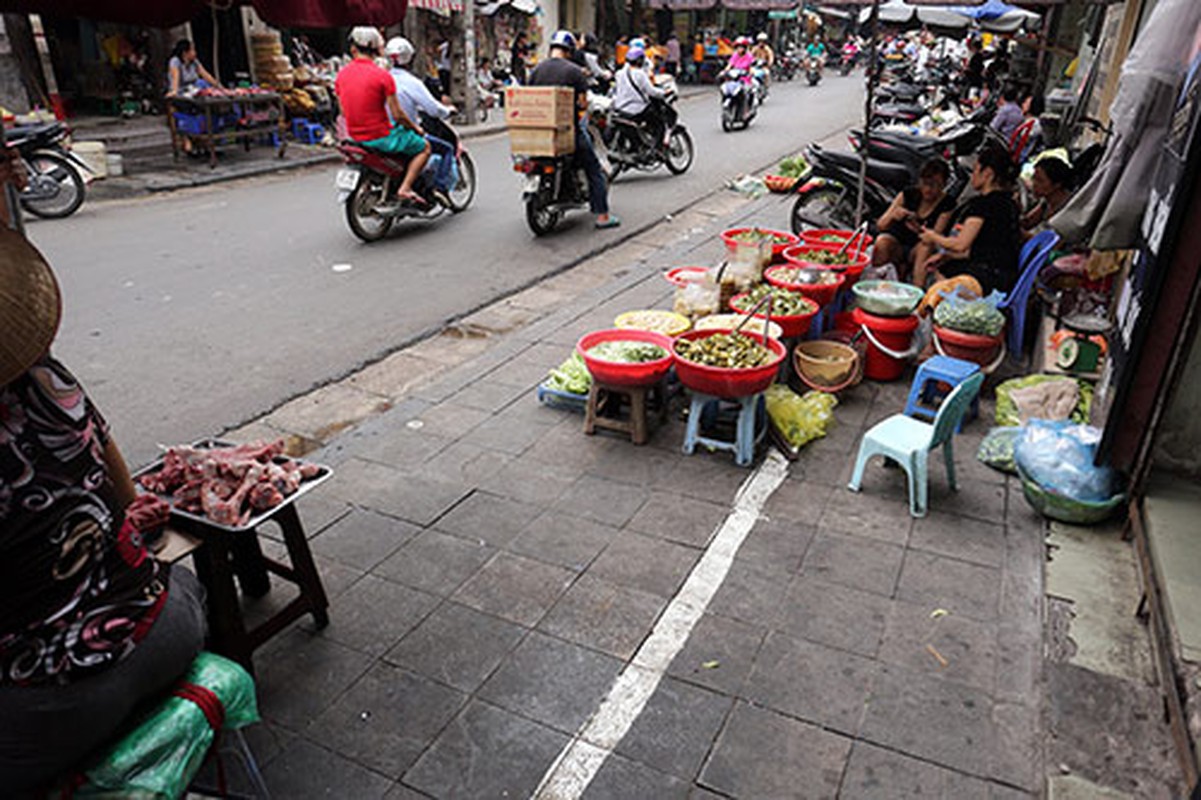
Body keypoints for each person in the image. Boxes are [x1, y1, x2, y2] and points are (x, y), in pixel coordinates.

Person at [0, 226, 207, 792]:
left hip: (57, 696)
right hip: (164, 621)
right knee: (183, 585)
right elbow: (127, 499)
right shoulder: (49, 375)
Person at [528, 30, 619, 228]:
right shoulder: (574, 71)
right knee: (594, 168)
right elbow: (583, 103)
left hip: (537, 134)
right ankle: (603, 216)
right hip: (567, 133)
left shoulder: (535, 71)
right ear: (569, 51)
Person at [335, 27, 431, 207]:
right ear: (378, 50)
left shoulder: (341, 75)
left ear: (354, 49)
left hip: (354, 137)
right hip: (380, 137)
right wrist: (416, 128)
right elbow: (398, 114)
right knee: (424, 147)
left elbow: (343, 112)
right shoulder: (383, 76)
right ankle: (406, 187)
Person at [915, 141, 1021, 294]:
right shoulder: (1008, 202)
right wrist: (947, 257)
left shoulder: (982, 204)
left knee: (940, 280)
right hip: (1005, 274)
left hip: (990, 278)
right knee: (945, 266)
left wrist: (932, 236)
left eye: (976, 170)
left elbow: (960, 244)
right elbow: (988, 248)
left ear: (987, 174)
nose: (972, 176)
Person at [385, 36, 456, 205]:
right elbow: (432, 108)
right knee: (446, 148)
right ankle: (439, 189)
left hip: (381, 131)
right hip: (402, 133)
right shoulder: (412, 82)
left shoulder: (382, 78)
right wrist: (447, 111)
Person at [872, 158, 957, 278]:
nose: (928, 189)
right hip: (897, 245)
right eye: (925, 183)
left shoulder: (947, 204)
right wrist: (893, 215)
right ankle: (876, 281)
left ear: (944, 185)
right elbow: (881, 225)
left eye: (934, 185)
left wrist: (918, 229)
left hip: (918, 249)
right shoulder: (907, 194)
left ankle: (917, 289)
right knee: (882, 241)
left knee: (925, 246)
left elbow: (935, 236)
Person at [613, 44, 669, 149]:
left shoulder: (619, 73)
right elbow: (652, 92)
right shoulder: (640, 74)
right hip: (635, 109)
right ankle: (657, 148)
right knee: (659, 122)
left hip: (620, 108)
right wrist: (664, 93)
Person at [1022, 156, 1074, 232]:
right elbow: (1027, 222)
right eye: (1034, 178)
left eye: (1040, 181)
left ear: (1057, 184)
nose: (1034, 184)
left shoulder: (1067, 209)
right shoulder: (1046, 203)